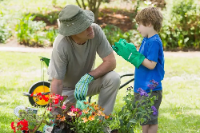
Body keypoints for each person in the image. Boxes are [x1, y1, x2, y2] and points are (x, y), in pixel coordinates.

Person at [47, 4, 120, 116]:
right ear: (73, 32)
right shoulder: (62, 44)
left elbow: (111, 62)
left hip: (87, 84)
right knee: (66, 123)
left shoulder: (95, 31)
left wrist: (88, 77)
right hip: (66, 90)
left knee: (113, 78)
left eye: (89, 23)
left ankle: (102, 121)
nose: (90, 28)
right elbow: (57, 82)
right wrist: (55, 110)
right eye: (85, 27)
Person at [112, 7, 165, 133]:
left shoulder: (155, 41)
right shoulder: (146, 40)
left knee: (151, 121)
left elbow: (151, 64)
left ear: (149, 23)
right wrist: (131, 54)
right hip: (142, 88)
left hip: (151, 90)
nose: (138, 28)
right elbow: (140, 60)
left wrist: (135, 56)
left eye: (139, 24)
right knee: (144, 119)